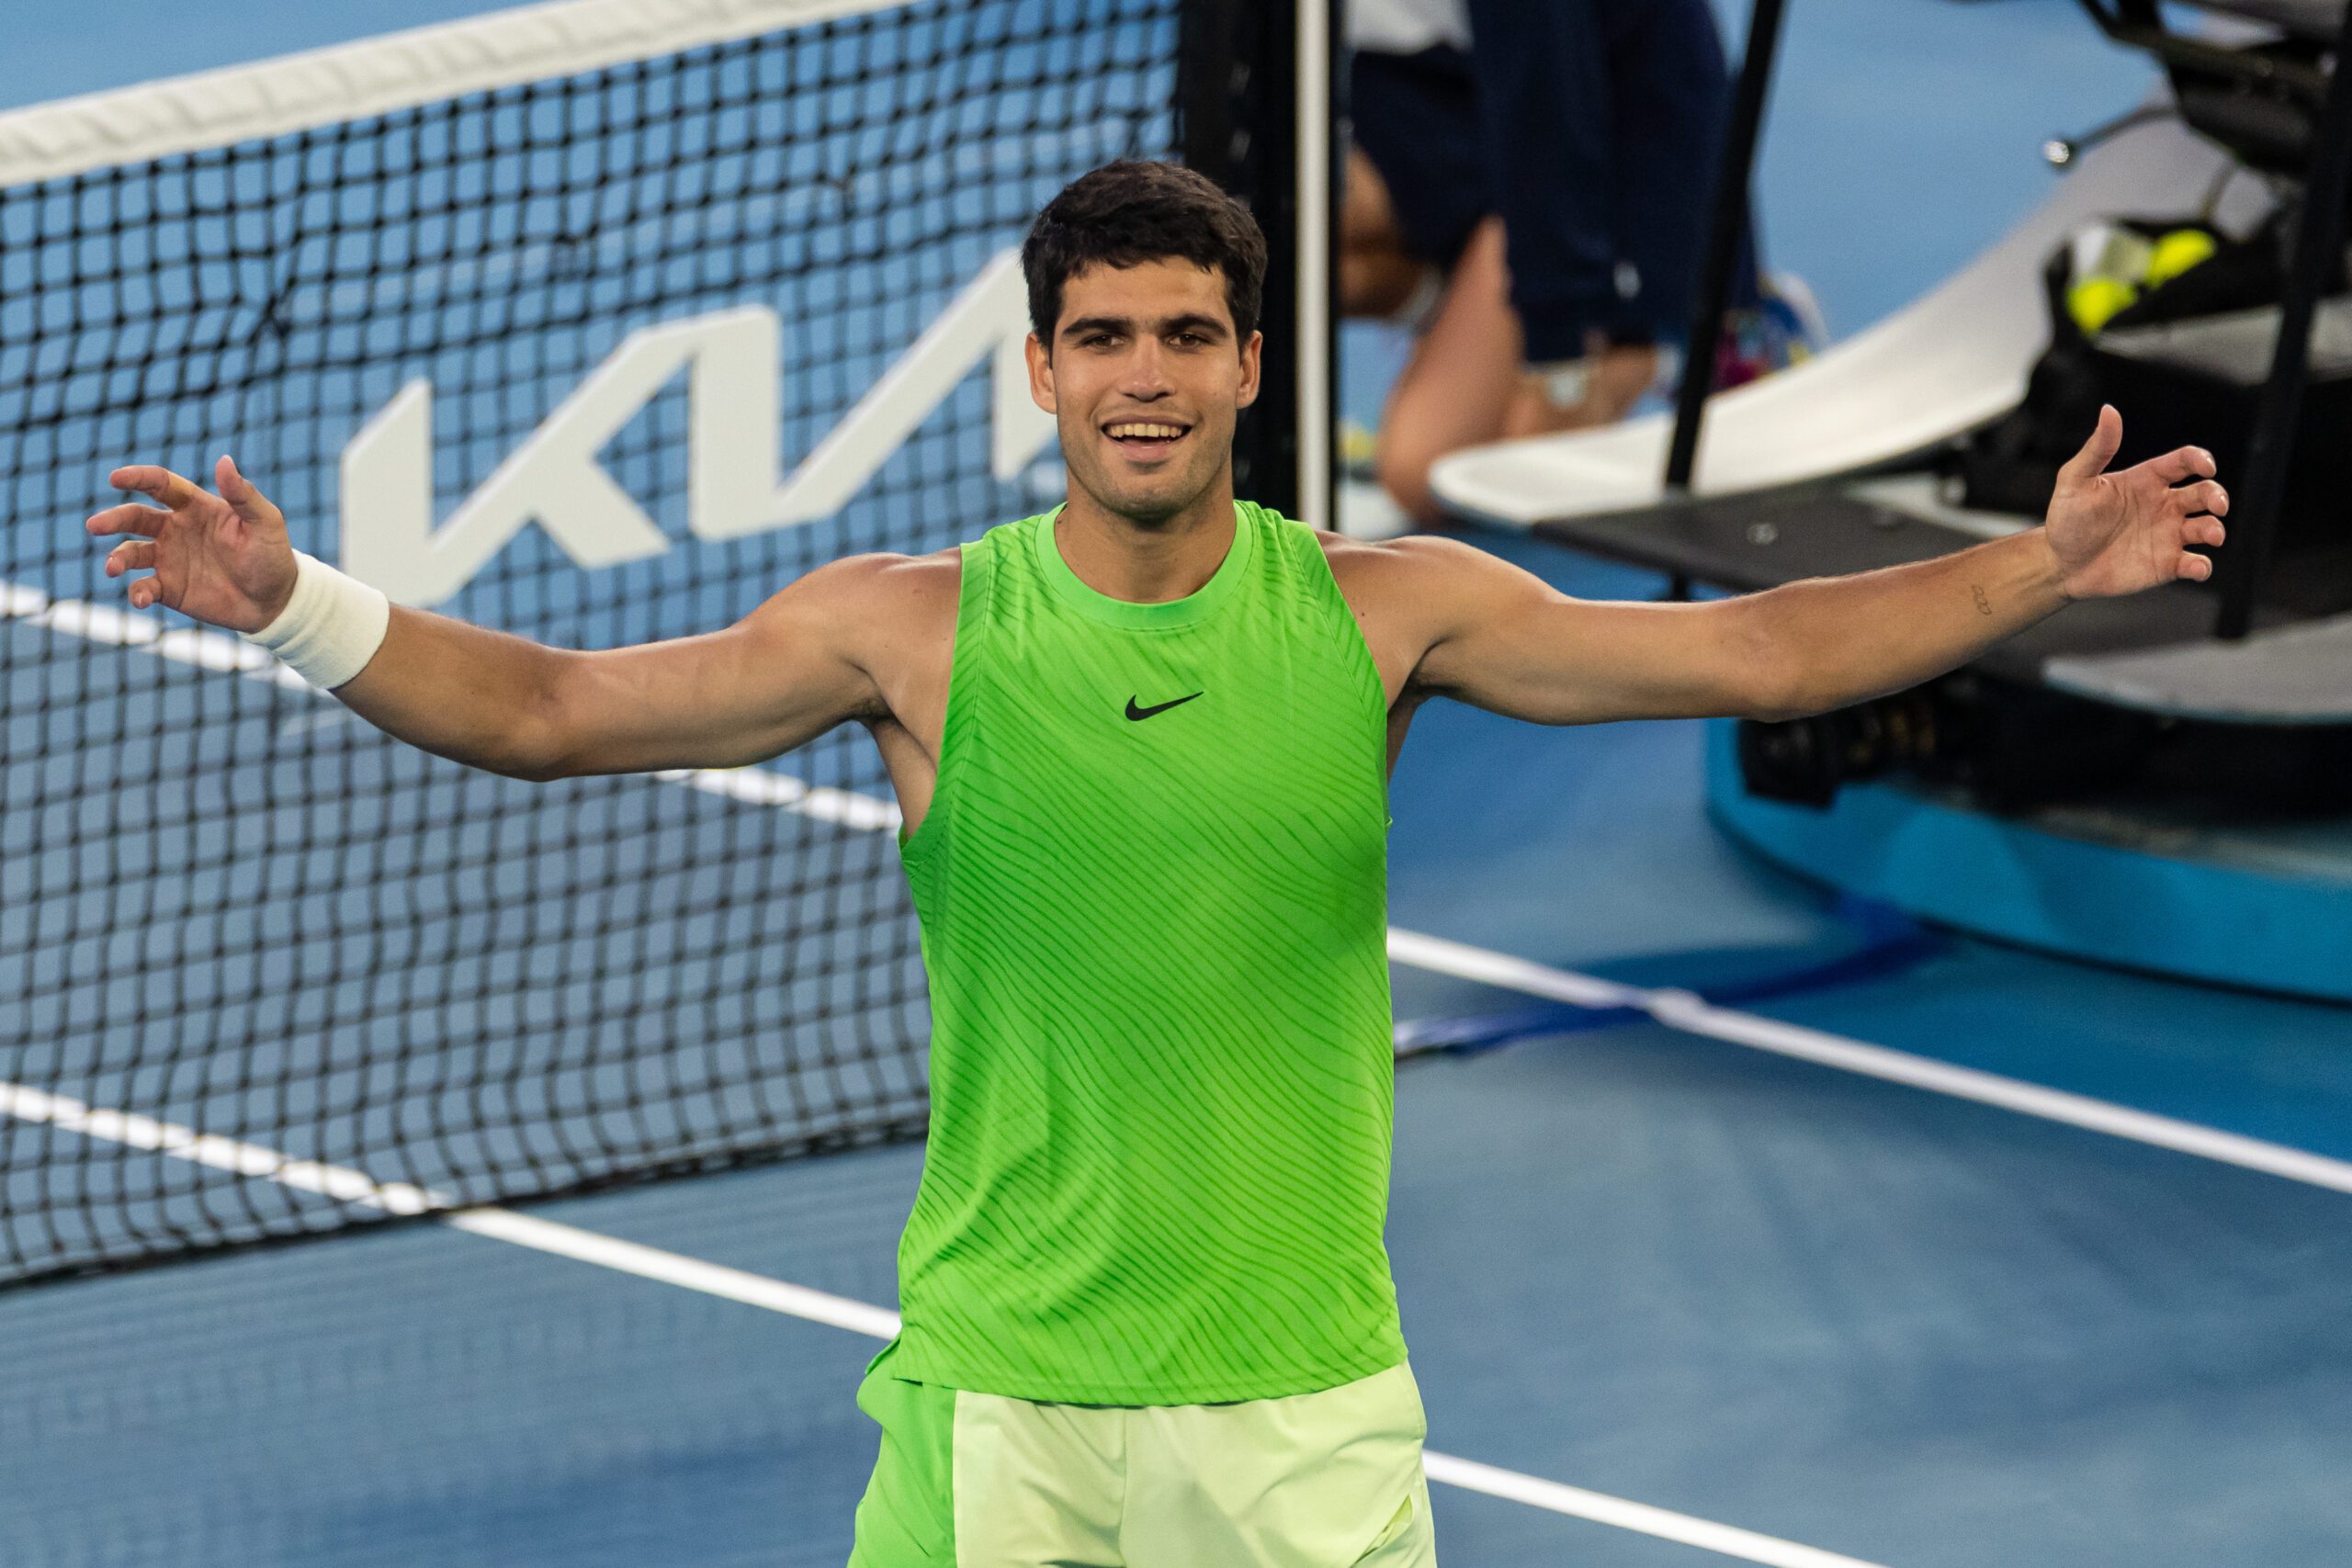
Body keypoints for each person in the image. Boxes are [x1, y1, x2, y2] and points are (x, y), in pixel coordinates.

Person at [87, 160, 2223, 1565]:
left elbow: (1745, 645)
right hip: (1004, 1404)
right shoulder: (900, 634)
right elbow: (552, 711)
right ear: (1040, 368)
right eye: (1098, 336)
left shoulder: (1385, 614)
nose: (1140, 375)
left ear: (1247, 365)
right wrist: (301, 604)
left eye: (1181, 335)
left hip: (1298, 1408)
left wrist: (2029, 567)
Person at [1342, 0, 1816, 525]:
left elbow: (1550, 113)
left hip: (1608, 127)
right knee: (1292, 212)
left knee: (1426, 474)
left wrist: (1559, 365)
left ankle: (1684, 336)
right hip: (1436, 97)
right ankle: (1465, 311)